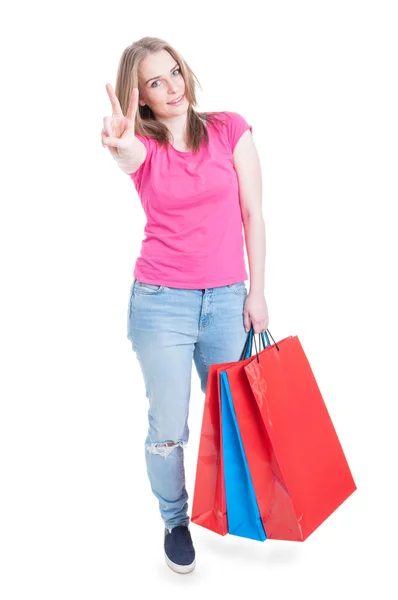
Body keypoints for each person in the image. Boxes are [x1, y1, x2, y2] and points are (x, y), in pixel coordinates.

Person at [101, 36, 269, 574]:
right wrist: (120, 143)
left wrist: (257, 292)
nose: (172, 86)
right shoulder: (144, 149)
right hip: (160, 306)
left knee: (236, 415)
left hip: (226, 301)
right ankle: (176, 520)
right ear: (140, 97)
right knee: (169, 427)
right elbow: (128, 155)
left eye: (174, 72)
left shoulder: (228, 129)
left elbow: (253, 215)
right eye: (155, 81)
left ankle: (236, 506)